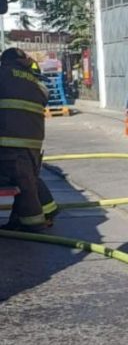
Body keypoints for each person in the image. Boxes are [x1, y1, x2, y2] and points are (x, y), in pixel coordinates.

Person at [0, 47, 58, 231]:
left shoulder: (3, 74)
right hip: (33, 141)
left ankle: (33, 223)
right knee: (29, 177)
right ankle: (49, 211)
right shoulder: (33, 78)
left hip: (10, 140)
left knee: (24, 183)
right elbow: (45, 97)